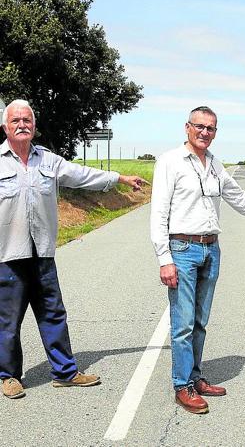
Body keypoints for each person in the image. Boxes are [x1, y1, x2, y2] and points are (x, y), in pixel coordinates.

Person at [150, 106, 245, 414]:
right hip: (182, 249)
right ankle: (182, 386)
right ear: (187, 128)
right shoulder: (170, 162)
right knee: (182, 324)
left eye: (210, 128)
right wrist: (163, 258)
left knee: (200, 322)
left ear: (215, 132)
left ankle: (195, 377)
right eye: (199, 126)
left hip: (211, 249)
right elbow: (158, 214)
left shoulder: (216, 166)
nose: (205, 132)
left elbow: (241, 200)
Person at [0, 99, 146, 399]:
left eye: (27, 120)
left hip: (42, 255)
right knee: (7, 322)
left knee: (54, 314)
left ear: (35, 126)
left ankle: (65, 373)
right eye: (15, 120)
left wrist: (119, 177)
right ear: (5, 127)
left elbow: (83, 175)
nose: (22, 125)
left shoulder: (49, 161)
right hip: (7, 256)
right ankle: (8, 376)